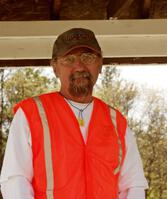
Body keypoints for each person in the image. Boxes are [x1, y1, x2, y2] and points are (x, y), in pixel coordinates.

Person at [0, 28, 148, 199]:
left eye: (88, 57)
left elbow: (133, 185)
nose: (79, 67)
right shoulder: (31, 114)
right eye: (69, 59)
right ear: (55, 67)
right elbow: (15, 180)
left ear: (100, 64)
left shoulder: (117, 122)